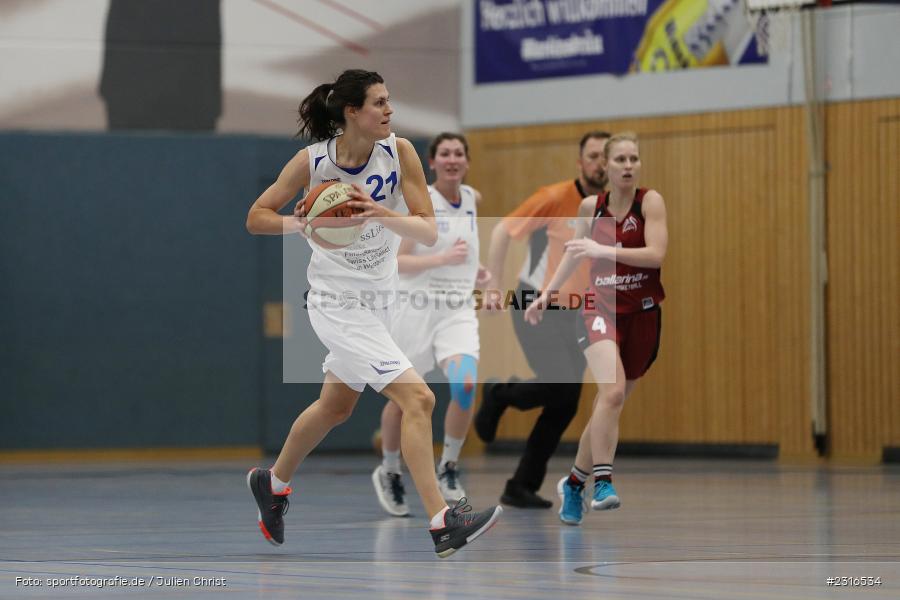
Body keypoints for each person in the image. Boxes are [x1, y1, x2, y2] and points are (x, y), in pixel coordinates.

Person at [244, 70, 501, 557]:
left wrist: (378, 213)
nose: (389, 111)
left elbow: (427, 232)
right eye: (379, 103)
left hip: (382, 299)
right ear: (351, 112)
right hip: (336, 303)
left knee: (336, 408)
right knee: (420, 400)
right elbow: (256, 216)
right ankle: (443, 520)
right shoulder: (313, 162)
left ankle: (272, 484)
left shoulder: (398, 152)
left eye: (389, 102)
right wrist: (301, 223)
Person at [523, 132, 667, 526]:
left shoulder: (649, 202)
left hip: (643, 315)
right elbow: (573, 256)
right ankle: (603, 482)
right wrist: (545, 295)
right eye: (619, 159)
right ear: (605, 165)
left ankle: (573, 482)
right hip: (597, 309)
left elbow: (656, 255)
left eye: (633, 159)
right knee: (613, 391)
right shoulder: (592, 206)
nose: (627, 165)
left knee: (609, 406)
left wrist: (603, 251)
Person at [476, 131, 610, 508]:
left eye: (607, 156)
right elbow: (503, 229)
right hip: (535, 305)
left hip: (580, 312)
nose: (601, 162)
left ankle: (520, 485)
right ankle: (499, 392)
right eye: (594, 155)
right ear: (581, 162)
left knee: (564, 404)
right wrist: (494, 285)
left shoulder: (613, 206)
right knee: (562, 390)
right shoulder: (554, 197)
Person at [372, 133, 490, 516]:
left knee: (466, 384)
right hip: (415, 309)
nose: (453, 159)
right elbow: (398, 262)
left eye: (459, 153)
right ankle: (390, 470)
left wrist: (479, 276)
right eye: (445, 153)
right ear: (433, 162)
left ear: (467, 161)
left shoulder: (473, 199)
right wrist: (441, 261)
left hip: (455, 310)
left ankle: (449, 466)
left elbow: (465, 256)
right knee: (404, 399)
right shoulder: (420, 203)